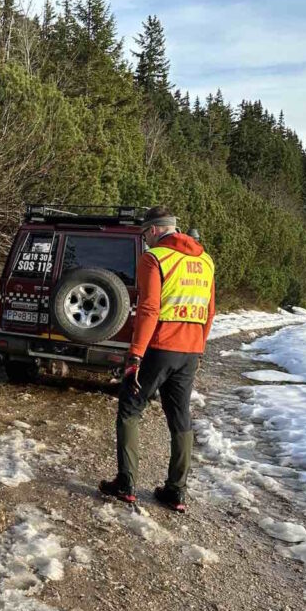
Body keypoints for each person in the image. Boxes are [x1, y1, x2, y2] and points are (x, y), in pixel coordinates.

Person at [99, 207, 215, 512]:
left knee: (129, 407)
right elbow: (210, 311)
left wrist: (135, 355)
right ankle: (176, 491)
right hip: (189, 351)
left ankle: (126, 483)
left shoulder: (155, 258)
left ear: (153, 230)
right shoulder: (205, 260)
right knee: (180, 416)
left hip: (160, 347)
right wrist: (198, 348)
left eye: (144, 234)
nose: (145, 240)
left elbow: (149, 309)